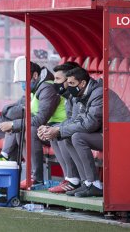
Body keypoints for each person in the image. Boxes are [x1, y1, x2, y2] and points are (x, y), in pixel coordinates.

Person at [39, 67, 130, 197]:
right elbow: (76, 120)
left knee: (77, 137)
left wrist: (59, 130)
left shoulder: (98, 93)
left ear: (82, 83)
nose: (69, 87)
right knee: (68, 136)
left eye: (72, 84)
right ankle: (87, 183)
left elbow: (89, 124)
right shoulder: (83, 94)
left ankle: (94, 183)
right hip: (107, 134)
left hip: (123, 136)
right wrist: (54, 128)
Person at [0, 63, 64, 189]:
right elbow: (15, 109)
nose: (22, 84)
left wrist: (12, 123)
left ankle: (36, 178)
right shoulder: (34, 88)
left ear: (35, 75)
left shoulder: (46, 88)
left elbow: (40, 119)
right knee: (21, 127)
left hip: (58, 129)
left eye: (24, 80)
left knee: (27, 128)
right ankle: (27, 174)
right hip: (45, 129)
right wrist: (13, 122)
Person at [38, 62, 86, 194]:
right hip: (81, 129)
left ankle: (74, 180)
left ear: (69, 80)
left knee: (63, 135)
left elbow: (77, 121)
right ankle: (68, 177)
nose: (55, 83)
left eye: (58, 79)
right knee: (54, 133)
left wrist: (58, 129)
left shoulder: (77, 97)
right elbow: (71, 120)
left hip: (91, 132)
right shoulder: (67, 97)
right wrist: (52, 128)